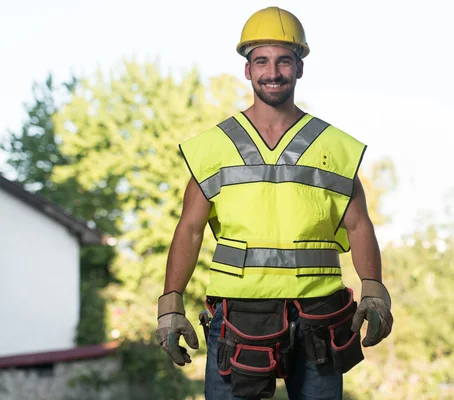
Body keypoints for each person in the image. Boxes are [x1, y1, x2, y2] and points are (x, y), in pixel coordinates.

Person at [155, 6, 393, 400]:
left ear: (300, 68)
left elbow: (359, 224)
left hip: (320, 311)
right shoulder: (212, 147)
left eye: (284, 60)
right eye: (261, 61)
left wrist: (374, 290)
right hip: (238, 313)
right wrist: (171, 304)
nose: (273, 72)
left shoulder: (334, 146)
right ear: (247, 70)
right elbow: (190, 228)